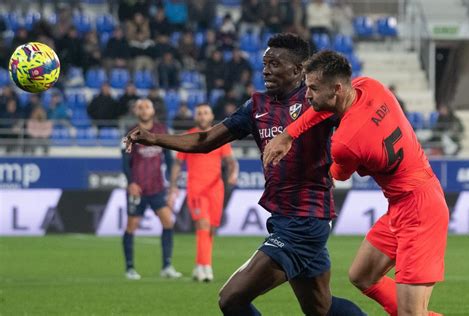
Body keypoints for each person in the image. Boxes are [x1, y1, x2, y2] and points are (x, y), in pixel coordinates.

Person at [125, 33, 365, 316]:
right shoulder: (257, 106)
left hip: (306, 219)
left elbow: (359, 116)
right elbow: (205, 141)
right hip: (283, 218)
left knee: (231, 298)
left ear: (298, 70)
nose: (266, 70)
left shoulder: (316, 100)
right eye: (264, 64)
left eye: (275, 64)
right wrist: (154, 139)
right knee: (322, 309)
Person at [262, 50, 448, 316]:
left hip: (420, 210)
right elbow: (323, 110)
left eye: (313, 88)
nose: (307, 94)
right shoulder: (370, 86)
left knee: (411, 313)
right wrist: (289, 133)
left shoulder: (346, 142)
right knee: (362, 275)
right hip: (406, 200)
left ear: (336, 89)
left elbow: (336, 174)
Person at [168, 103, 238, 282]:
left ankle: (202, 265)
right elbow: (177, 164)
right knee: (203, 225)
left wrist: (233, 173)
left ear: (211, 115)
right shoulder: (189, 137)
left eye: (205, 113)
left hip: (216, 189)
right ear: (196, 116)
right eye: (199, 113)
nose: (202, 116)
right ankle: (204, 267)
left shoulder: (218, 137)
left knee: (212, 229)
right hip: (196, 189)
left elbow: (231, 161)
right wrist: (173, 187)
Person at [121, 98, 182, 280]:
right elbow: (124, 161)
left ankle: (167, 266)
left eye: (147, 106)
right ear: (136, 111)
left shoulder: (162, 131)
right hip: (137, 189)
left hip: (157, 187)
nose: (144, 110)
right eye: (140, 107)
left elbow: (170, 160)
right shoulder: (129, 133)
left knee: (168, 222)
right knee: (131, 226)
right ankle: (130, 268)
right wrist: (131, 182)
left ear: (153, 111)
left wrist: (172, 185)